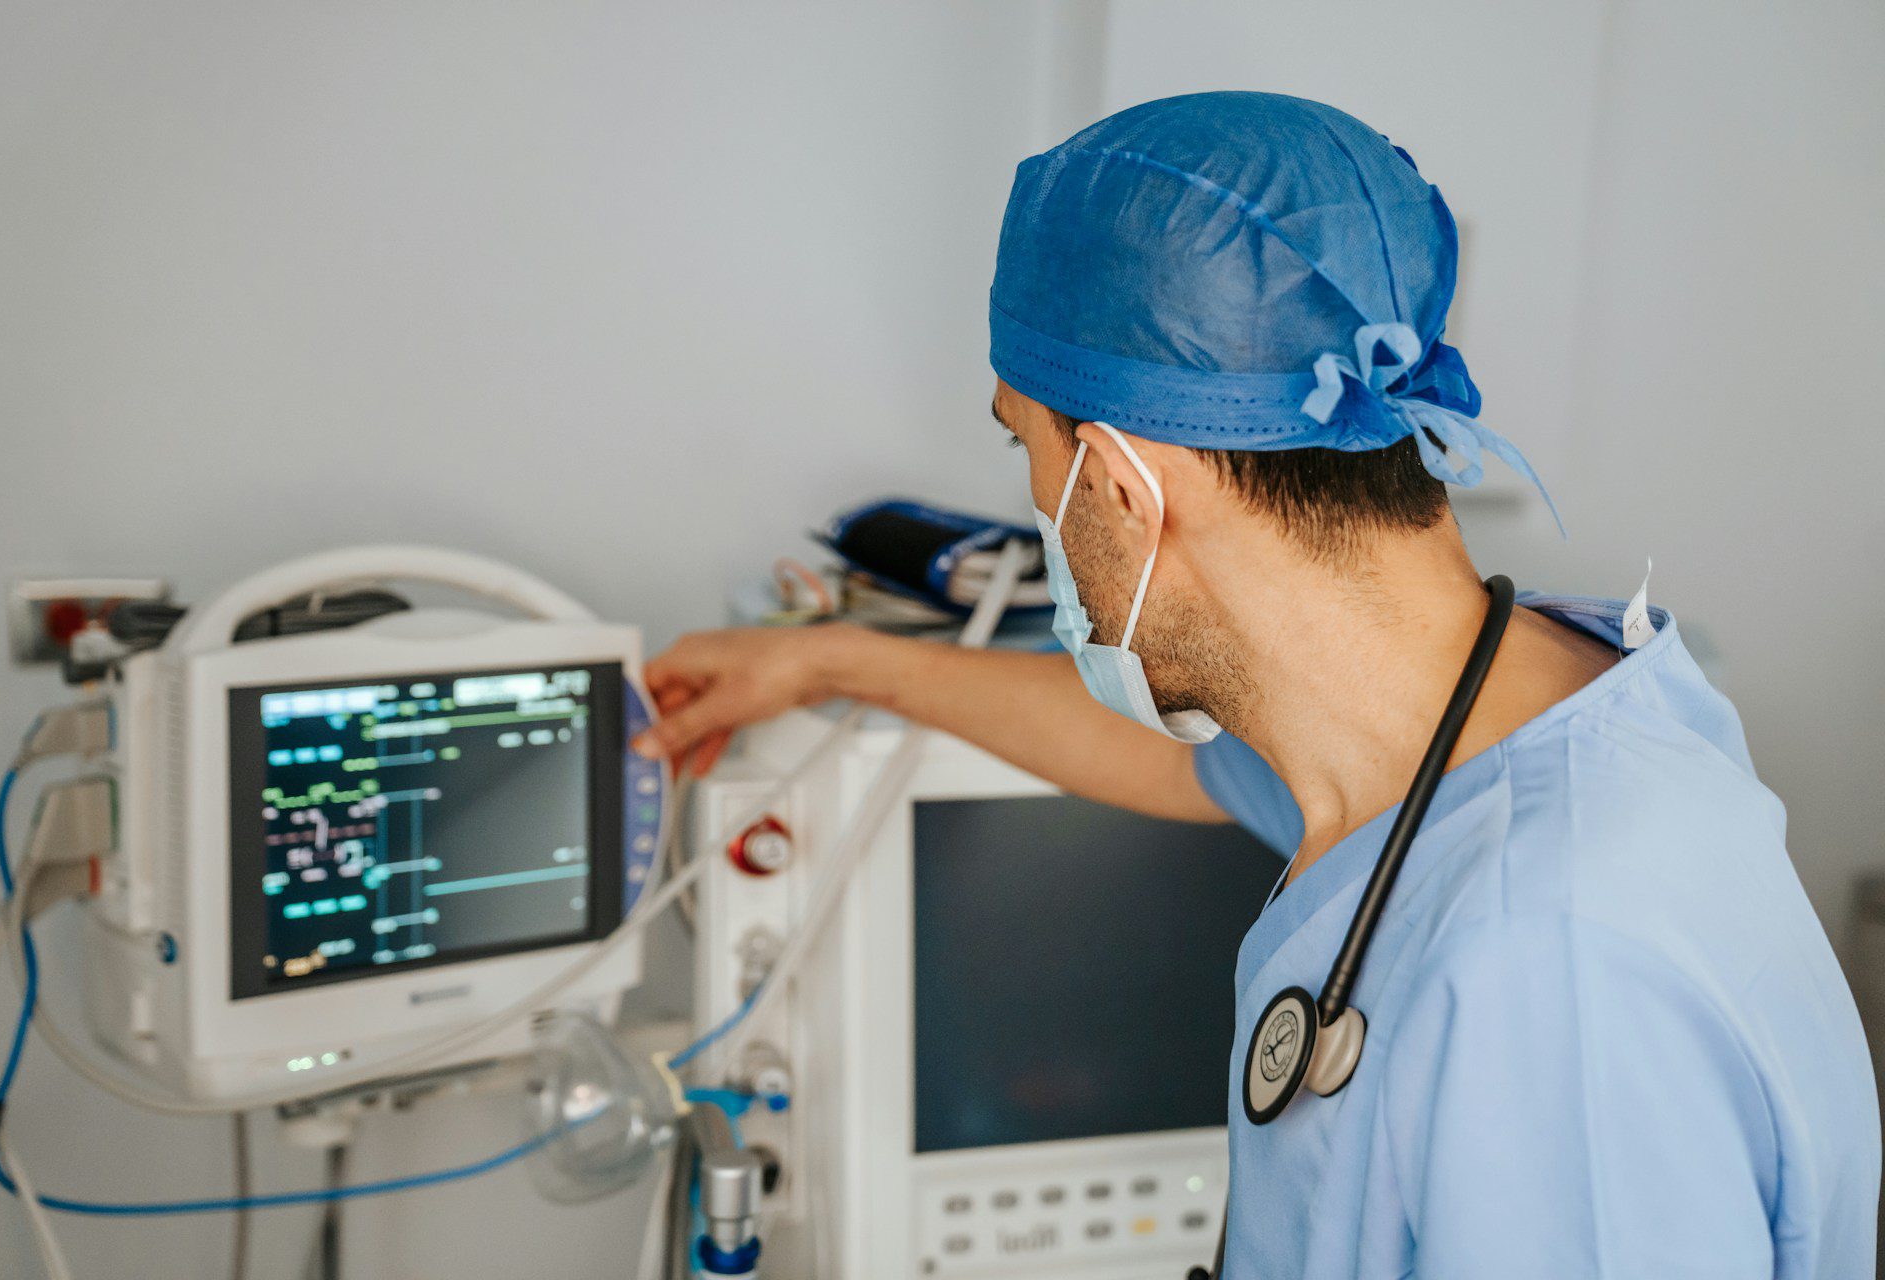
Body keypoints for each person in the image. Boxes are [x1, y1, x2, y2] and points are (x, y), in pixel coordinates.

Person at [636, 92, 1879, 1277]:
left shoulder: (1551, 970)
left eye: (1026, 443)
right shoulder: (1473, 706)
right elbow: (1183, 757)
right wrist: (829, 661)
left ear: (1120, 485)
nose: (1036, 493)